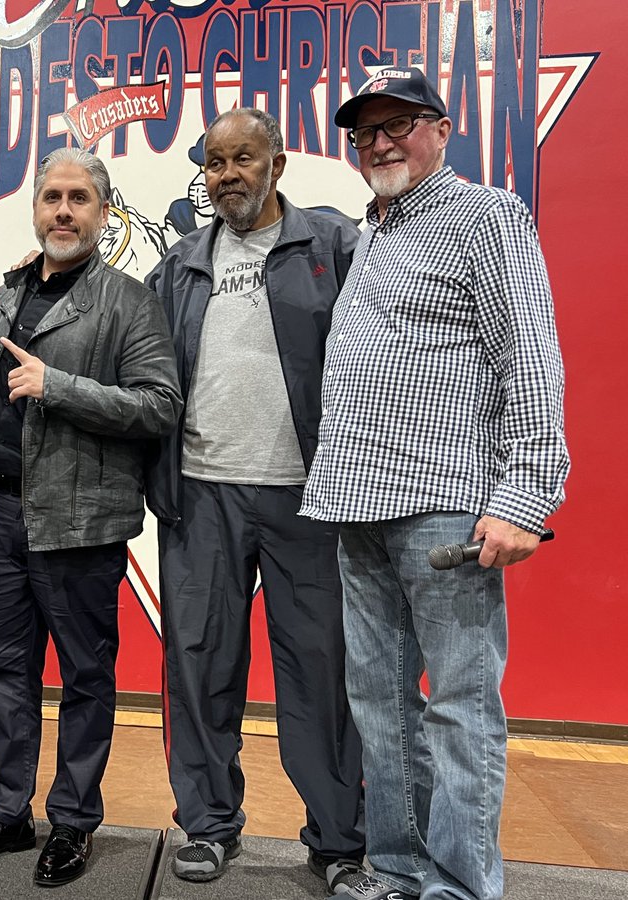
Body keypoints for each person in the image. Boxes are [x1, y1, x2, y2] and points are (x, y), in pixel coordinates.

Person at [300, 67, 569, 900]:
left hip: (447, 510)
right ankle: (400, 871)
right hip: (357, 505)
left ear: (441, 128)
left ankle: (458, 887)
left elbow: (529, 355)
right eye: (363, 132)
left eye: (397, 124)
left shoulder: (486, 215)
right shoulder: (370, 229)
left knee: (458, 708)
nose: (378, 143)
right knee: (380, 708)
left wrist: (523, 496)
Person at [0, 148, 181, 887]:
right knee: (4, 670)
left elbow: (160, 407)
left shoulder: (129, 301)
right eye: (51, 198)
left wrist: (59, 385)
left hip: (78, 524)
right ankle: (7, 811)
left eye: (78, 198)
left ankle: (73, 821)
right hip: (0, 516)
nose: (62, 211)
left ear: (103, 212)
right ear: (35, 210)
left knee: (86, 678)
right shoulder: (7, 296)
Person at [143, 108, 368, 891]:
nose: (227, 174)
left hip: (310, 499)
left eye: (243, 158)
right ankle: (207, 825)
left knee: (322, 673)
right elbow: (143, 377)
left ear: (277, 163)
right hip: (202, 493)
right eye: (214, 163)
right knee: (199, 666)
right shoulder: (178, 265)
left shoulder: (333, 246)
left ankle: (338, 840)